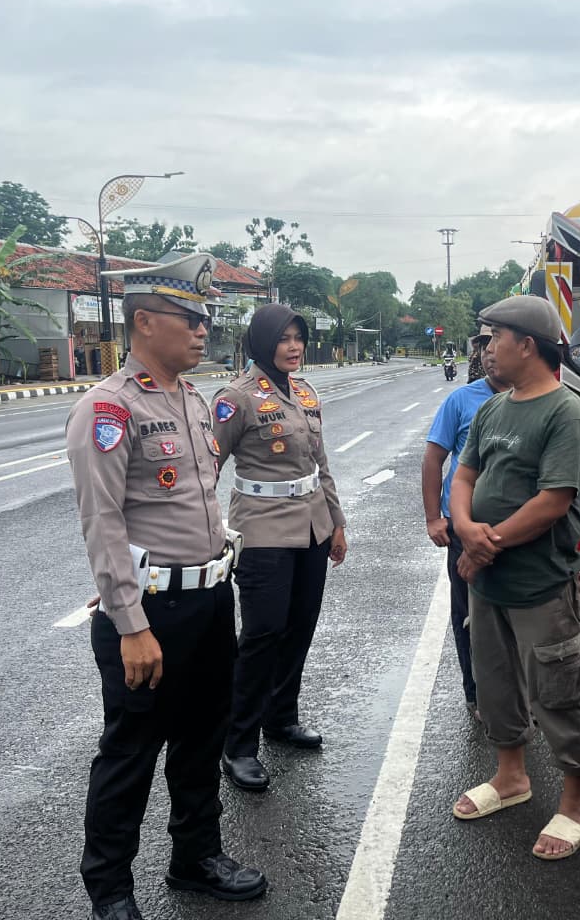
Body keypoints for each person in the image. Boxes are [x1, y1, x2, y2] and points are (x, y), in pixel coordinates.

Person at [66, 254, 266, 920]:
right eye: (190, 318)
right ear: (144, 321)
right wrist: (131, 622)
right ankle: (111, 891)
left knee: (202, 737)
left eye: (206, 318)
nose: (203, 329)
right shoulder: (108, 408)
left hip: (211, 599)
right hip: (152, 611)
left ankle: (195, 857)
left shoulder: (193, 399)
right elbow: (103, 521)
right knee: (130, 752)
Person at [448, 295, 580, 861]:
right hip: (487, 580)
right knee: (495, 685)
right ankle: (511, 776)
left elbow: (553, 502)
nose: (486, 350)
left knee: (558, 691)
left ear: (526, 344)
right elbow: (465, 474)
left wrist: (485, 545)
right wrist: (464, 527)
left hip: (539, 582)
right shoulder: (493, 407)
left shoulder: (566, 413)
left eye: (493, 339)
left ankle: (577, 801)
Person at [213, 303, 347, 792]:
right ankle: (238, 744)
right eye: (284, 338)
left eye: (299, 337)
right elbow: (207, 468)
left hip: (311, 527)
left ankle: (281, 717)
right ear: (262, 341)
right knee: (262, 635)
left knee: (299, 628)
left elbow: (321, 461)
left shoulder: (306, 392)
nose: (294, 347)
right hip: (264, 531)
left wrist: (336, 522)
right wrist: (202, 533)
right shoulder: (236, 398)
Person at [421, 324, 508, 718]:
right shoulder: (461, 401)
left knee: (519, 614)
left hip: (520, 532)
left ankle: (518, 692)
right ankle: (476, 693)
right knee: (468, 613)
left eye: (496, 344)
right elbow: (434, 459)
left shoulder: (543, 401)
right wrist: (433, 518)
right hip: (465, 531)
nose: (489, 353)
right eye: (483, 347)